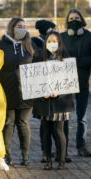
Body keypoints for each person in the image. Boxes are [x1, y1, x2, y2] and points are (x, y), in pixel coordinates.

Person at [0, 18, 34, 166]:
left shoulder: (30, 45)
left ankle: (25, 156)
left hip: (27, 91)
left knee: (23, 123)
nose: (22, 29)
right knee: (8, 123)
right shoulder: (0, 45)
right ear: (12, 28)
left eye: (24, 26)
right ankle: (7, 155)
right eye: (19, 26)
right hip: (7, 90)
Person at [33, 31, 74, 170]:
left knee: (59, 130)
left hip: (60, 102)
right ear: (45, 43)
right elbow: (34, 80)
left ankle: (61, 159)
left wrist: (59, 93)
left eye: (54, 41)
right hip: (44, 102)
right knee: (46, 131)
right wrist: (41, 93)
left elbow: (70, 82)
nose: (52, 44)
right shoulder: (39, 58)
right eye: (49, 41)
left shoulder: (66, 59)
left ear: (59, 42)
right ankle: (48, 160)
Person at [60, 8, 91, 158]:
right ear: (66, 22)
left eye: (76, 17)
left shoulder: (89, 37)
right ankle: (63, 148)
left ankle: (81, 146)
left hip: (82, 82)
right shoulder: (61, 37)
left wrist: (78, 62)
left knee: (82, 117)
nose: (73, 20)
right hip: (65, 82)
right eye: (70, 19)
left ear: (82, 20)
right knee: (64, 117)